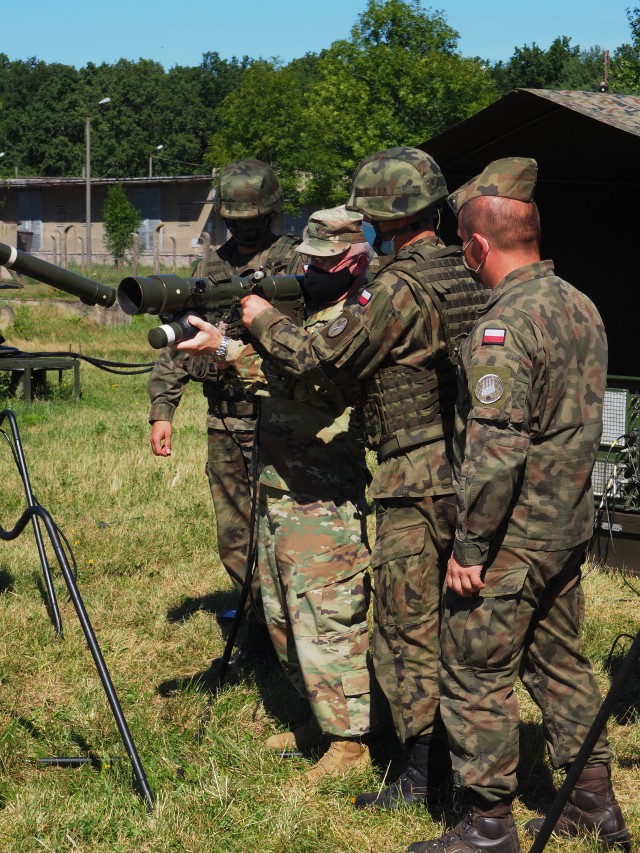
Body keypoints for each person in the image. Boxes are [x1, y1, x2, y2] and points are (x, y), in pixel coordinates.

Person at [237, 147, 489, 808]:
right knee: (442, 622)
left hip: (417, 472)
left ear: (382, 216)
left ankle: (420, 771)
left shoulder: (400, 287)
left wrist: (260, 320)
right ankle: (437, 759)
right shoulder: (462, 271)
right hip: (463, 461)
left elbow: (327, 355)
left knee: (408, 627)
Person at [408, 158, 631, 852]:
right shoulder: (580, 304)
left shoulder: (504, 327)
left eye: (462, 248)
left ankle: (486, 825)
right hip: (567, 527)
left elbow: (497, 453)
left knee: (474, 669)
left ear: (476, 245)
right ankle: (592, 800)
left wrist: (469, 550)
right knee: (560, 659)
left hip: (512, 536)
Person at [177, 206, 374, 781]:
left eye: (320, 262)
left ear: (350, 261)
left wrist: (257, 326)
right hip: (284, 488)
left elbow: (318, 383)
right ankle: (320, 718)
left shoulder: (357, 317)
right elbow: (281, 377)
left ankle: (350, 742)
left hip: (324, 494)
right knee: (284, 611)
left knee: (327, 615)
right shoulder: (316, 315)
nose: (307, 271)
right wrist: (221, 349)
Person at [147, 159, 301, 655]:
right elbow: (181, 340)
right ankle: (260, 625)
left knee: (285, 537)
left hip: (284, 419)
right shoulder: (209, 269)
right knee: (235, 539)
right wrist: (162, 411)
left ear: (272, 212)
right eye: (235, 220)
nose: (244, 227)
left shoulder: (296, 265)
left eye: (252, 217)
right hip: (225, 422)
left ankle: (297, 638)